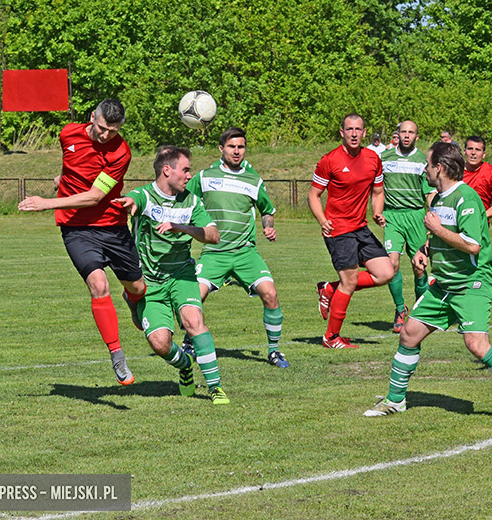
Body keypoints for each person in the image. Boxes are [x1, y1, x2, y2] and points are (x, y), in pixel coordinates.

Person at [363, 141, 492, 421]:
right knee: (409, 334)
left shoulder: (465, 198)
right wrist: (424, 249)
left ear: (440, 168)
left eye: (428, 165)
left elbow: (472, 245)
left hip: (470, 284)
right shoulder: (440, 198)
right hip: (443, 284)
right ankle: (395, 400)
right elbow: (441, 235)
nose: (425, 170)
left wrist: (436, 230)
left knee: (477, 345)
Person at [18, 99, 146, 387]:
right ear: (92, 118)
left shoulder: (121, 153)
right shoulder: (68, 134)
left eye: (112, 131)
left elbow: (94, 197)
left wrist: (46, 202)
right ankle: (117, 355)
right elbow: (72, 165)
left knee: (137, 286)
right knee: (98, 285)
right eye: (102, 129)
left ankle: (132, 300)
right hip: (76, 227)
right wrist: (62, 178)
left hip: (112, 226)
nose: (105, 136)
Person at [113, 146, 231, 405]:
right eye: (185, 170)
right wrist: (130, 204)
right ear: (167, 170)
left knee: (193, 321)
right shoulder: (144, 195)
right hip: (151, 282)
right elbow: (134, 200)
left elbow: (213, 235)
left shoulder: (192, 201)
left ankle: (215, 388)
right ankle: (185, 364)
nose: (190, 175)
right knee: (160, 344)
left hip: (182, 275)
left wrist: (182, 227)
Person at [183, 127, 289, 368]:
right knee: (194, 297)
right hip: (214, 253)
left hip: (245, 253)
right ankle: (189, 342)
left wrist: (268, 226)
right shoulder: (205, 176)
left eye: (241, 147)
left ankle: (274, 351)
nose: (237, 151)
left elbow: (267, 210)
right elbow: (185, 201)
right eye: (232, 147)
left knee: (270, 294)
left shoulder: (253, 180)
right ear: (221, 149)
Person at [308, 113, 394, 349]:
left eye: (358, 129)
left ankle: (329, 288)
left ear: (364, 133)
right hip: (338, 229)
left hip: (361, 227)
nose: (354, 133)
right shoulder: (330, 160)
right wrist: (322, 219)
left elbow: (377, 192)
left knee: (386, 272)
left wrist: (377, 212)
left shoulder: (372, 159)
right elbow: (313, 195)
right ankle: (331, 337)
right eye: (349, 129)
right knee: (351, 280)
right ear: (342, 133)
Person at [379, 120, 435, 332]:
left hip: (415, 217)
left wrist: (433, 217)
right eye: (403, 132)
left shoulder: (423, 161)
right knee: (391, 265)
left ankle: (420, 312)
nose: (406, 135)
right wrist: (378, 211)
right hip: (392, 216)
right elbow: (376, 189)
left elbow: (429, 193)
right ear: (397, 135)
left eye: (411, 132)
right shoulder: (384, 158)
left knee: (419, 266)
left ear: (416, 137)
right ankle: (400, 308)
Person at [463, 136, 492, 222]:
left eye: (478, 150)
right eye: (470, 149)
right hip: (456, 222)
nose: (473, 152)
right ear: (464, 151)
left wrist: (481, 216)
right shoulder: (454, 172)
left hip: (480, 224)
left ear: (484, 154)